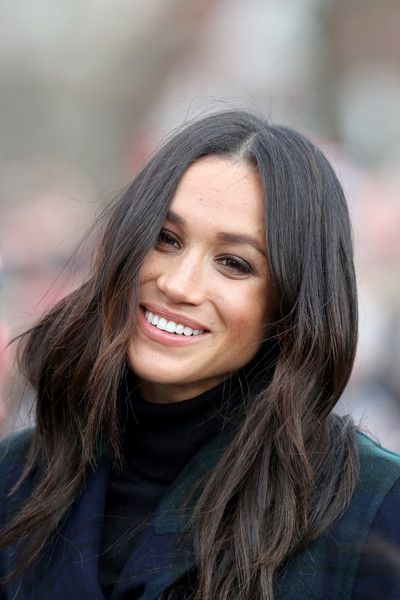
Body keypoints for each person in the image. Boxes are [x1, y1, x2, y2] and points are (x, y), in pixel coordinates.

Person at [0, 110, 399, 600]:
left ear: (292, 304)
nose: (177, 284)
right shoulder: (16, 477)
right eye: (165, 239)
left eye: (234, 263)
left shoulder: (375, 512)